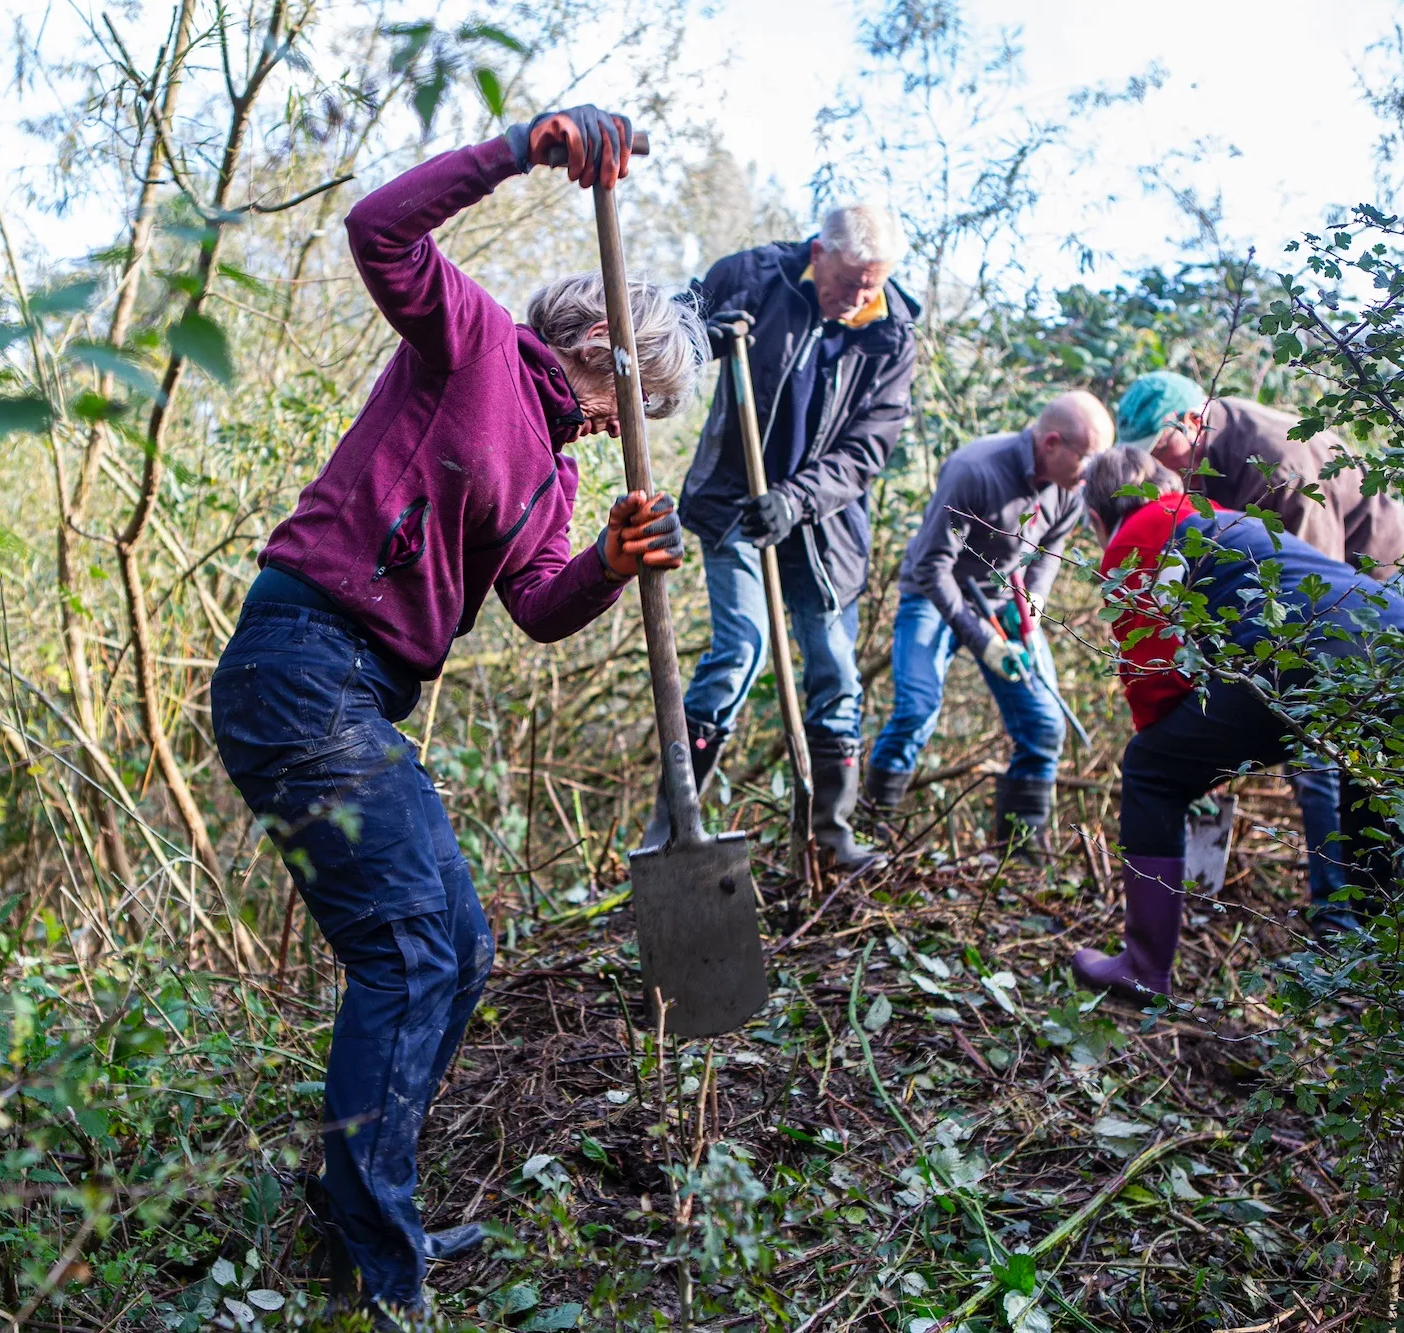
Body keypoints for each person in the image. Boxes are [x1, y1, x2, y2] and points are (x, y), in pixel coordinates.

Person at [210, 108, 704, 1326]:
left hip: (362, 694)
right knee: (413, 946)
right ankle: (375, 1265)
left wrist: (611, 558)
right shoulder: (469, 341)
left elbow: (537, 604)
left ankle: (359, 1208)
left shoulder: (558, 468)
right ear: (594, 347)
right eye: (622, 395)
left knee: (460, 945)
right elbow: (376, 228)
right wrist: (522, 152)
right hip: (299, 662)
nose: (610, 421)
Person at [1074, 448, 1404, 997]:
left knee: (1150, 770)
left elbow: (1157, 692)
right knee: (1376, 836)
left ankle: (1144, 970)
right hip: (1403, 636)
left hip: (1308, 653)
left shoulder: (1134, 540)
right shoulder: (1225, 517)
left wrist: (1191, 766)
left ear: (1097, 518)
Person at [650, 204, 920, 870]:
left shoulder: (891, 332)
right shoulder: (753, 276)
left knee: (835, 669)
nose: (859, 297)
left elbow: (867, 449)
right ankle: (672, 829)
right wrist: (703, 335)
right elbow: (669, 340)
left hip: (825, 527)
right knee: (741, 650)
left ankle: (828, 838)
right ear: (818, 252)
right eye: (851, 279)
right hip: (732, 504)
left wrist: (796, 500)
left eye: (873, 283)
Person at [1113, 371, 1404, 933]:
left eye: (1163, 451)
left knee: (1327, 740)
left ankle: (1344, 920)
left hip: (1376, 582)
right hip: (1320, 597)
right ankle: (1361, 920)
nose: (1162, 468)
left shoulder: (1274, 463)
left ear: (1192, 422)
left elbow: (1309, 592)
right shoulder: (1193, 468)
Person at [864, 391, 1114, 853]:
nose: (1092, 470)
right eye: (1087, 456)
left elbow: (1048, 554)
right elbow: (931, 567)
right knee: (915, 710)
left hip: (1004, 597)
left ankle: (1021, 855)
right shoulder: (975, 470)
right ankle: (869, 836)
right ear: (1052, 443)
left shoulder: (1071, 489)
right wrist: (983, 641)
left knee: (1044, 725)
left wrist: (1033, 600)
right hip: (935, 593)